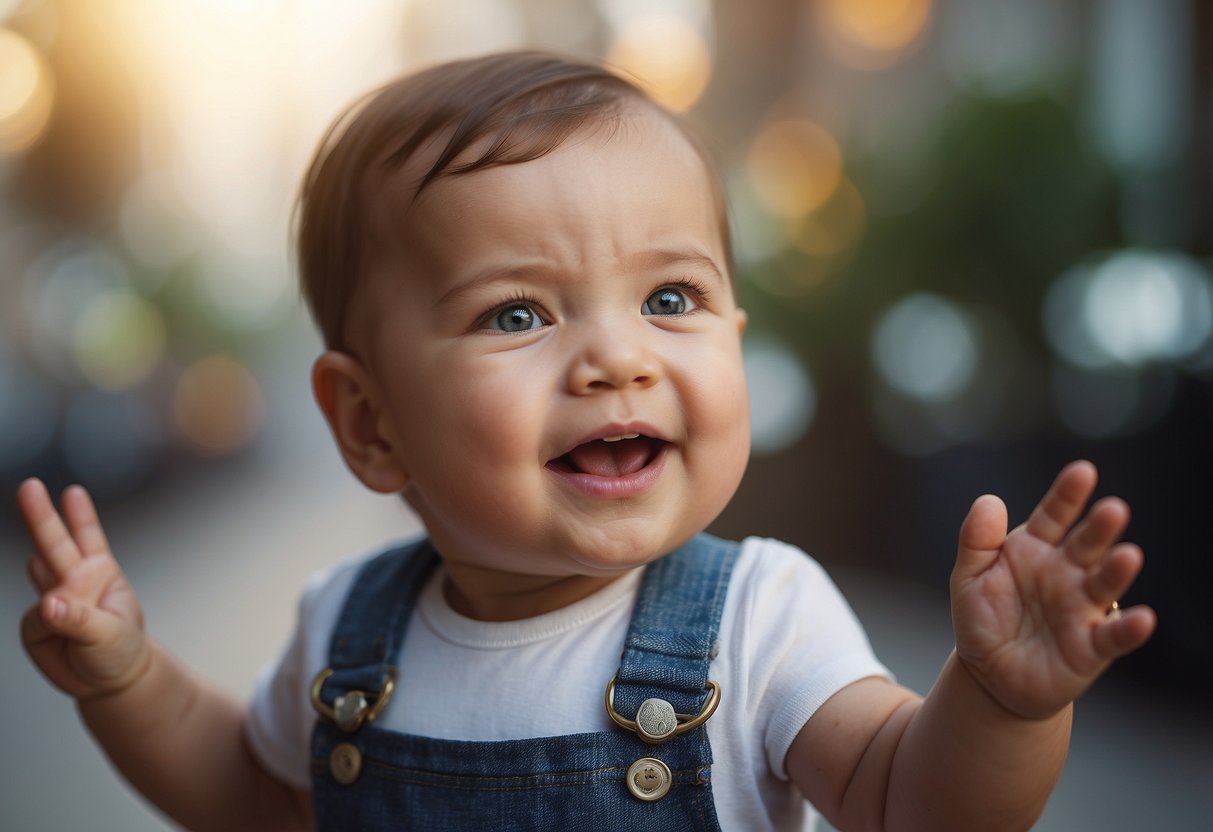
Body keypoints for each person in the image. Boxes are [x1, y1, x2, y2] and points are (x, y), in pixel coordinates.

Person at [17, 51, 1155, 831]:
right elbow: (249, 799)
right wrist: (128, 680)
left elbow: (913, 800)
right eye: (518, 313)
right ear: (369, 423)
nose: (619, 358)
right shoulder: (345, 629)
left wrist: (1002, 704)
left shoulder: (760, 616)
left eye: (669, 298)